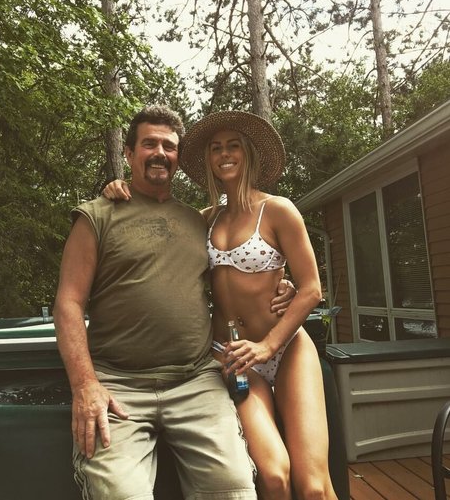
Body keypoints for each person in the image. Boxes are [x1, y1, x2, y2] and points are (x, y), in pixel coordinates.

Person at [53, 105, 295, 500]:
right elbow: (68, 304)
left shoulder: (199, 221)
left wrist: (282, 284)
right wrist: (85, 385)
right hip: (118, 386)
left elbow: (235, 269)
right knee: (120, 495)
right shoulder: (96, 216)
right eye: (149, 144)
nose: (160, 153)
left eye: (169, 146)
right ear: (129, 153)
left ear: (179, 158)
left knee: (234, 488)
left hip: (196, 380)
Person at [105, 110, 338, 500]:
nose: (224, 154)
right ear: (209, 160)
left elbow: (312, 290)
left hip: (286, 348)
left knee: (313, 486)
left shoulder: (278, 210)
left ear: (248, 153)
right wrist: (120, 188)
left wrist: (269, 343)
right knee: (273, 476)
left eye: (233, 146)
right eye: (216, 148)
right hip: (232, 358)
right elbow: (154, 224)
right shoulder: (203, 220)